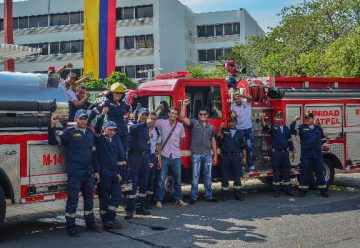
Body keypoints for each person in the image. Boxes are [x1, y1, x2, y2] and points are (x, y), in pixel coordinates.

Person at [48, 109, 100, 237]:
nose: (83, 120)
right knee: (73, 200)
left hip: (88, 172)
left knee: (89, 200)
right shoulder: (69, 133)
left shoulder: (89, 133)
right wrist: (53, 126)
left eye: (85, 118)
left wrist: (97, 171)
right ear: (76, 119)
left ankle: (90, 224)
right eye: (81, 118)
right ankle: (71, 227)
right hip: (75, 172)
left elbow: (94, 154)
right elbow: (53, 141)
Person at [180, 99, 218, 204]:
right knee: (195, 176)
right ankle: (193, 197)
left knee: (208, 176)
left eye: (204, 114)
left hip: (207, 155)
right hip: (196, 154)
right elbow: (182, 118)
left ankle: (209, 196)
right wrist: (184, 105)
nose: (202, 116)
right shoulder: (194, 123)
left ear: (207, 115)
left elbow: (213, 141)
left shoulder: (211, 127)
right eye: (200, 114)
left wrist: (215, 155)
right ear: (198, 114)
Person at [87, 82, 130, 165]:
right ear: (112, 93)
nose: (119, 95)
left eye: (120, 93)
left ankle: (122, 173)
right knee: (120, 153)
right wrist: (87, 123)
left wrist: (135, 100)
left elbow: (132, 108)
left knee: (124, 154)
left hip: (124, 131)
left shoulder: (123, 104)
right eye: (116, 93)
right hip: (114, 131)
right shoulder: (106, 103)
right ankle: (117, 171)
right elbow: (94, 111)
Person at [94, 107, 123, 230]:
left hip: (113, 174)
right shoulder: (100, 139)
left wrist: (118, 173)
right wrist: (102, 115)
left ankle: (110, 219)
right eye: (109, 129)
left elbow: (114, 161)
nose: (112, 132)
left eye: (114, 130)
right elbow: (96, 128)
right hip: (104, 174)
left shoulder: (114, 143)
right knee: (104, 199)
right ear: (105, 129)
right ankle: (106, 220)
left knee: (117, 196)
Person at [154, 107, 187, 208]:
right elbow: (152, 119)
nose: (173, 115)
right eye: (172, 113)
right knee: (161, 179)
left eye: (175, 114)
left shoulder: (180, 126)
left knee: (177, 179)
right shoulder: (162, 123)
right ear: (168, 114)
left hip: (176, 156)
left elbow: (182, 138)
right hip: (164, 155)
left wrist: (175, 146)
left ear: (177, 115)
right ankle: (158, 200)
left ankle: (178, 199)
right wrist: (157, 109)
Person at [290, 112, 329, 197]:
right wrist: (294, 121)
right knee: (304, 173)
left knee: (319, 173)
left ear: (312, 119)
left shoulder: (318, 128)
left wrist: (321, 145)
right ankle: (303, 191)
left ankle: (324, 191)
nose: (307, 119)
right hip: (306, 155)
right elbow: (292, 131)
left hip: (317, 155)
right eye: (305, 118)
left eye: (308, 118)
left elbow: (323, 139)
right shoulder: (301, 128)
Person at [261, 111, 297, 197]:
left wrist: (292, 151)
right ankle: (277, 191)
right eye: (278, 117)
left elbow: (289, 140)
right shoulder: (273, 128)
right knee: (276, 172)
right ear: (274, 119)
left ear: (282, 119)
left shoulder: (286, 128)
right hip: (276, 153)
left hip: (285, 153)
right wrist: (262, 119)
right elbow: (265, 127)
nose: (279, 119)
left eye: (281, 117)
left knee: (286, 172)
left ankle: (288, 190)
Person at [126, 108, 152, 219]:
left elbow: (148, 143)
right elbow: (133, 130)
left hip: (145, 157)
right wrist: (144, 123)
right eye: (143, 114)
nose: (144, 116)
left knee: (143, 183)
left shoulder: (146, 127)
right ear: (138, 114)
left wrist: (150, 159)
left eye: (146, 115)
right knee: (132, 184)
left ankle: (141, 207)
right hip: (134, 157)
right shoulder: (131, 123)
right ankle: (130, 210)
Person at [216, 118, 247, 201]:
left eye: (233, 122)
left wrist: (244, 157)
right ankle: (224, 195)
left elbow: (243, 147)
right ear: (228, 123)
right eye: (230, 122)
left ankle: (238, 195)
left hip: (236, 157)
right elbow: (217, 136)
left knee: (237, 176)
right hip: (225, 157)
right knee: (225, 176)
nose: (231, 123)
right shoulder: (224, 130)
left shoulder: (240, 133)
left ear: (236, 123)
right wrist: (220, 128)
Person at [231, 93, 255, 171]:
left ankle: (251, 165)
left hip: (248, 129)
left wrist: (242, 95)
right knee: (240, 148)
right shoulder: (233, 105)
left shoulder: (246, 102)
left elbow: (250, 97)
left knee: (249, 146)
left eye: (238, 98)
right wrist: (233, 115)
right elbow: (232, 115)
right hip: (239, 129)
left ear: (241, 98)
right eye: (235, 99)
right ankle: (242, 166)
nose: (237, 100)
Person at [145, 112, 162, 209]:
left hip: (152, 156)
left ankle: (147, 202)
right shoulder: (142, 129)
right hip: (143, 156)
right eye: (150, 118)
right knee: (143, 179)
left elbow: (158, 146)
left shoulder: (157, 131)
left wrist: (159, 160)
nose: (152, 120)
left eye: (154, 119)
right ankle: (140, 202)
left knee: (152, 179)